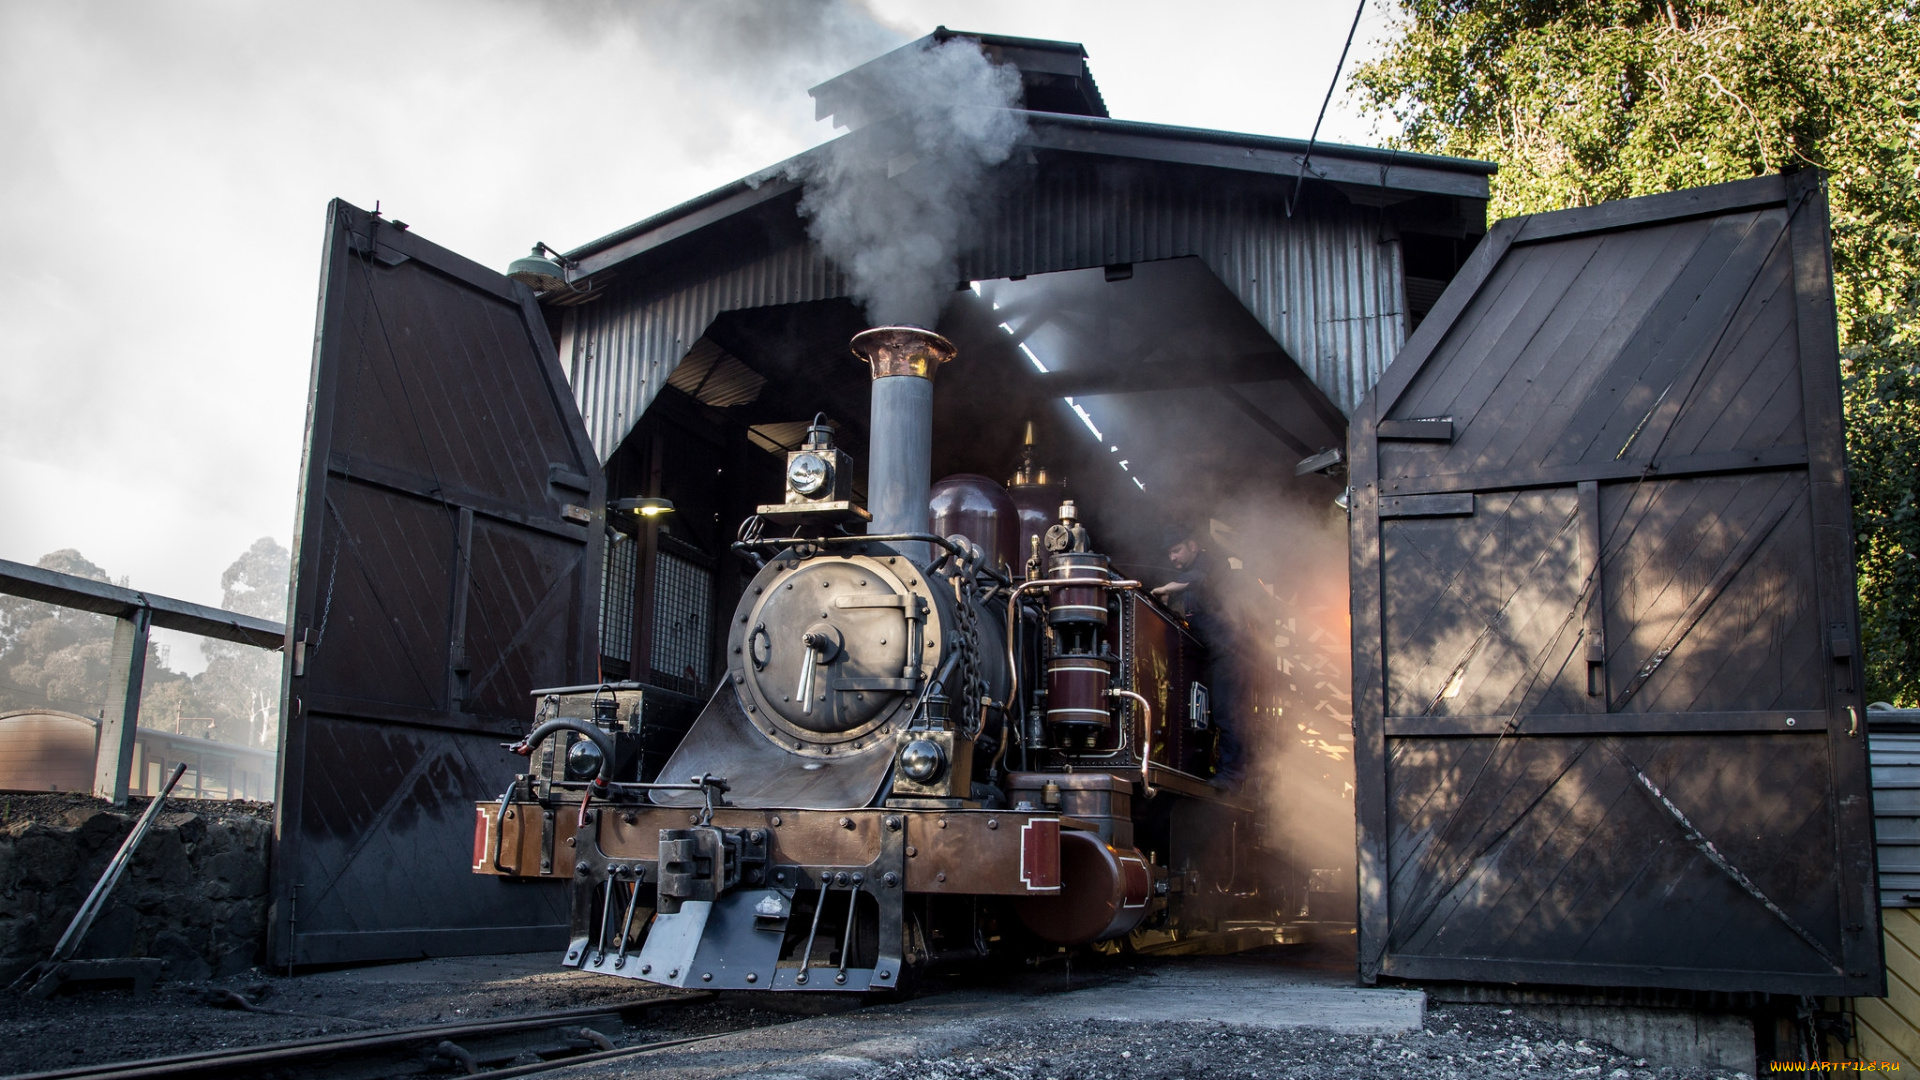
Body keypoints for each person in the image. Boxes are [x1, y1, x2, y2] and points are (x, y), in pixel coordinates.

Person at [1150, 525, 1248, 787]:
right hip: (1208, 650)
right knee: (1207, 713)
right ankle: (1207, 768)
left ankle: (1233, 775)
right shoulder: (1191, 575)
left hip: (1228, 649)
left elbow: (1200, 577)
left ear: (1192, 546)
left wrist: (1168, 588)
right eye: (1169, 554)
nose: (1173, 558)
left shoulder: (1212, 564)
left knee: (1227, 712)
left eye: (1177, 550)